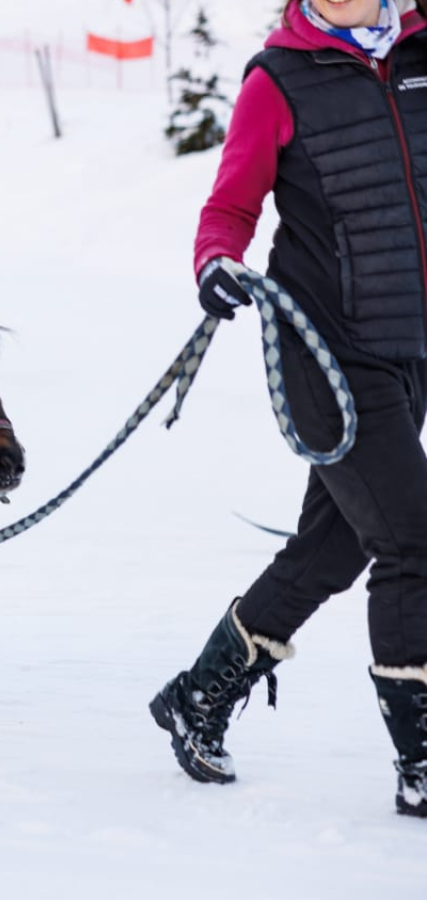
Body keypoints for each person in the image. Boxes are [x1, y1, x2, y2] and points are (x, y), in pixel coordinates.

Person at [150, 0, 427, 818]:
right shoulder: (279, 78)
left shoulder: (418, 50)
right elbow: (229, 208)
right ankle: (421, 759)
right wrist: (216, 263)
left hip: (409, 349)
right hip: (325, 355)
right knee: (414, 542)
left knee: (331, 554)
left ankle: (200, 694)